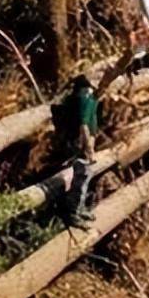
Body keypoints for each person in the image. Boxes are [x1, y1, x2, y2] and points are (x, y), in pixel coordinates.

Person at [50, 74, 100, 227]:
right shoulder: (83, 102)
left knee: (83, 176)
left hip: (76, 144)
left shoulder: (83, 101)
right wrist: (89, 148)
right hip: (78, 145)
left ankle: (79, 207)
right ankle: (73, 212)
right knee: (82, 176)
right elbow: (84, 126)